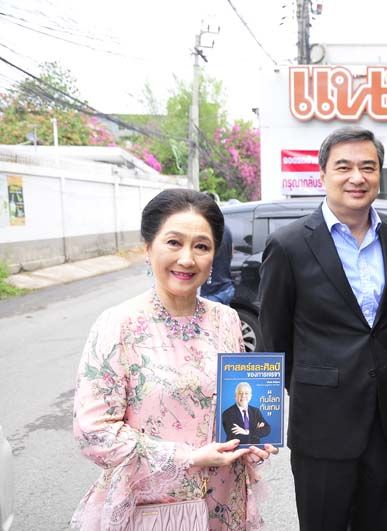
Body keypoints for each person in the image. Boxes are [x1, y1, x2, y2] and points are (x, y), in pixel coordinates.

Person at [71, 189, 277, 531]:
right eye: (173, 243)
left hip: (223, 503)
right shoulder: (118, 324)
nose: (187, 259)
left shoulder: (226, 320)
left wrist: (250, 442)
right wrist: (189, 458)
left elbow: (234, 402)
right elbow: (93, 432)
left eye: (201, 246)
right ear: (147, 247)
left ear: (214, 255)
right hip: (152, 508)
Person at [259, 126, 387, 531]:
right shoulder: (289, 244)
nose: (356, 177)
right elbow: (272, 341)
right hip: (321, 423)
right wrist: (311, 388)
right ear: (323, 173)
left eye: (368, 167)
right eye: (343, 167)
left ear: (379, 174)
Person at [200, 204, 235, 305]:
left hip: (211, 292)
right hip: (226, 288)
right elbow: (232, 251)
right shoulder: (226, 229)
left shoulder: (208, 231)